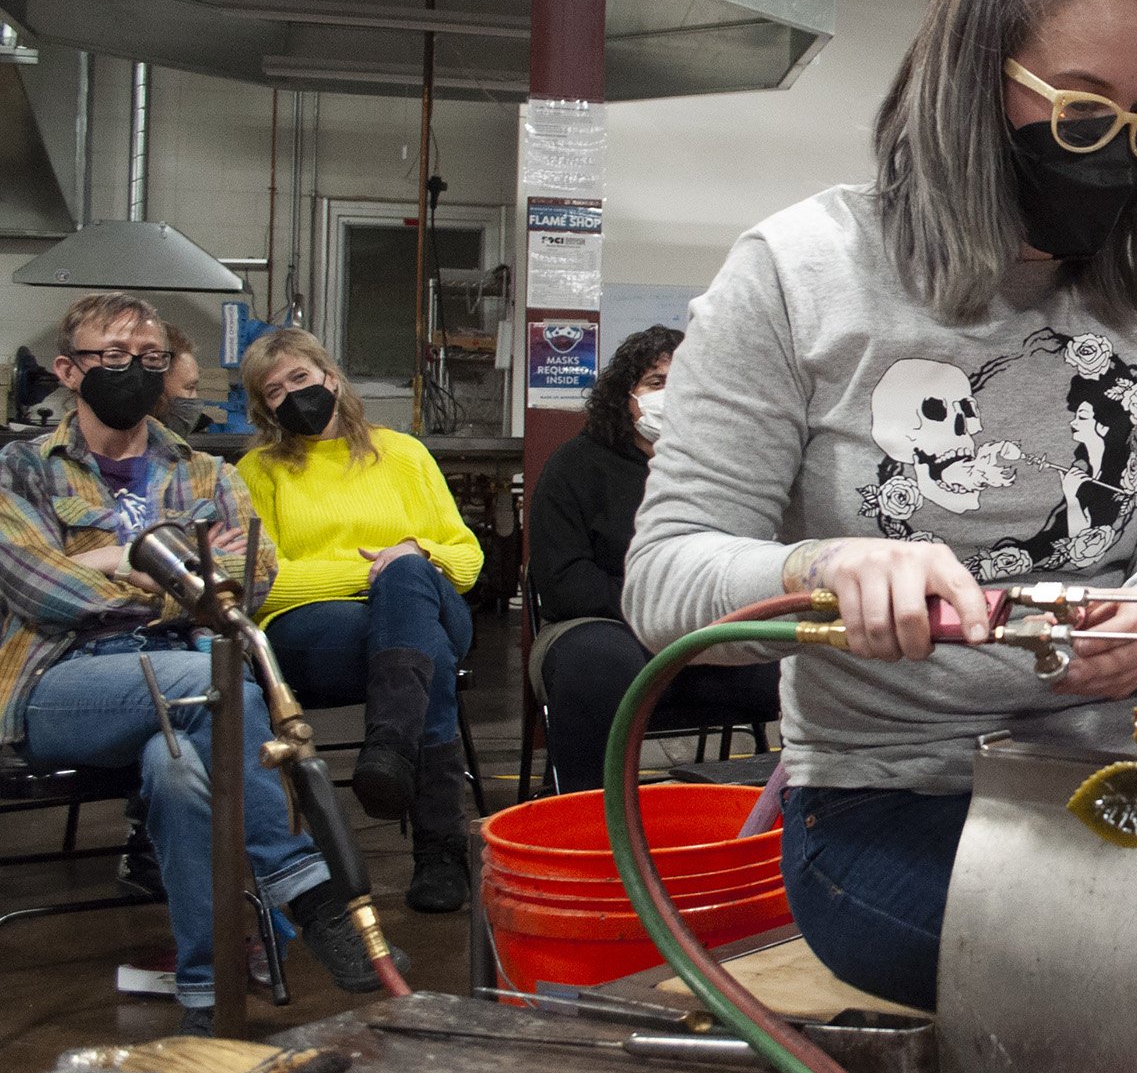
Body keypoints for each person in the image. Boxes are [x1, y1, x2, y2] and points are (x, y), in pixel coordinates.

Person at [626, 0, 1137, 1012]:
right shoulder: (798, 273)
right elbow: (665, 584)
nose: (1111, 149)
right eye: (1074, 110)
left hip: (1130, 763)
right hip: (888, 799)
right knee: (1125, 979)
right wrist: (819, 571)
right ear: (970, 87)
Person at [0, 294, 404, 1034]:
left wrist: (115, 564)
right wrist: (171, 582)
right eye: (113, 358)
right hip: (63, 685)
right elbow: (43, 589)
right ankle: (302, 885)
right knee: (218, 685)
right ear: (68, 369)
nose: (136, 372)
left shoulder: (204, 471)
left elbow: (251, 575)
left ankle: (205, 1005)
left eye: (151, 360)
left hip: (177, 681)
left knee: (181, 770)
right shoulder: (21, 468)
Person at [236, 328, 482, 915]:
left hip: (428, 599)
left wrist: (410, 564)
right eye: (274, 391)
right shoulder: (257, 471)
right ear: (263, 408)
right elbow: (264, 582)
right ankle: (439, 848)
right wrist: (377, 570)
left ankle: (391, 747)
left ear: (331, 376)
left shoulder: (403, 453)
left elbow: (467, 559)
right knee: (426, 648)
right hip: (314, 633)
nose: (293, 395)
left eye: (300, 378)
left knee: (410, 578)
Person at [530, 324, 780, 793]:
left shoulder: (720, 470)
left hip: (701, 629)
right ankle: (584, 811)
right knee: (597, 662)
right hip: (598, 626)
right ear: (625, 396)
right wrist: (657, 612)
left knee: (797, 657)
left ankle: (771, 819)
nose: (673, 394)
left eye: (685, 380)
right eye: (656, 383)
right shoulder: (575, 465)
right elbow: (563, 582)